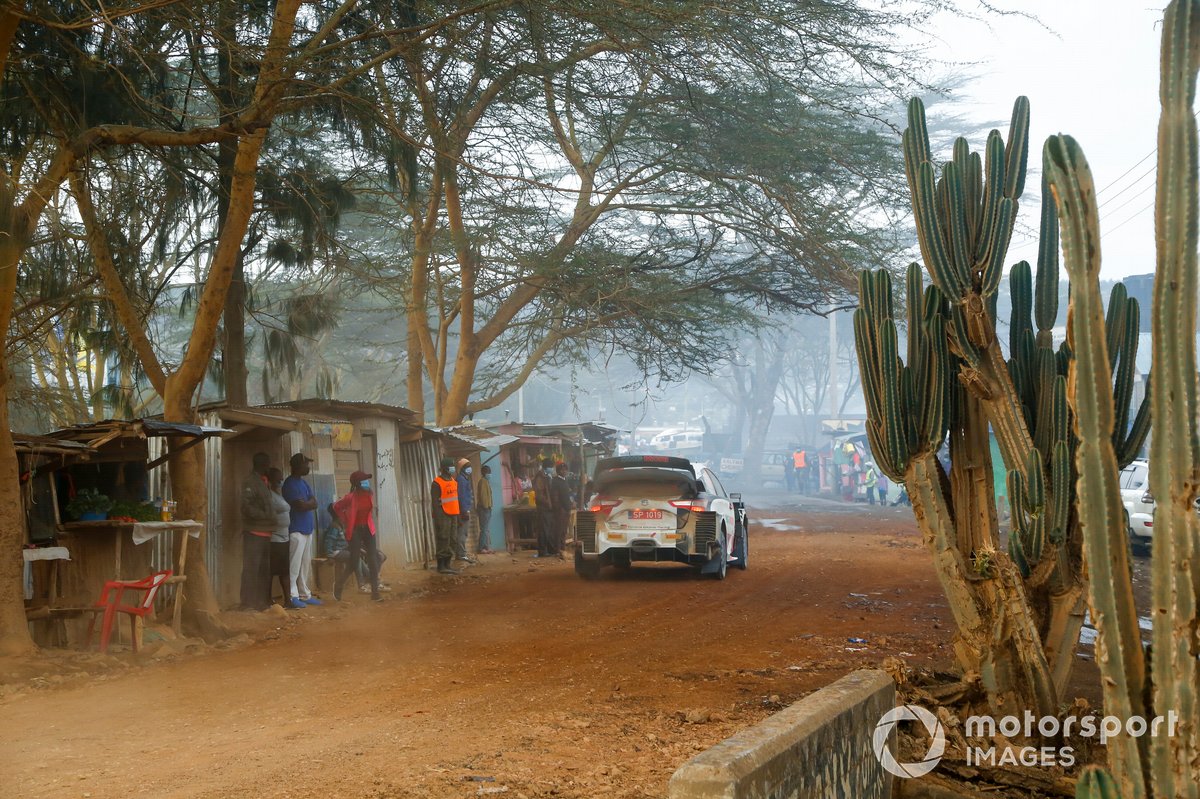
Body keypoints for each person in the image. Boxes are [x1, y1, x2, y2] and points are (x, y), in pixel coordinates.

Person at [332, 470, 383, 601]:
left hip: (368, 528)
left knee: (372, 559)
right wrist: (345, 519)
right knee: (354, 561)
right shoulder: (350, 497)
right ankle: (339, 585)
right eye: (364, 480)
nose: (367, 482)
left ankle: (375, 592)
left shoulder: (369, 494)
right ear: (357, 483)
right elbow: (336, 507)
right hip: (355, 530)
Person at [282, 453, 321, 606]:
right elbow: (300, 505)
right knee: (294, 565)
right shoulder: (290, 483)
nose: (308, 467)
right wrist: (308, 503)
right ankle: (292, 596)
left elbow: (314, 502)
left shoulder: (303, 483)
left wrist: (308, 503)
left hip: (307, 529)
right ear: (298, 465)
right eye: (306, 464)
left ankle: (304, 594)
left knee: (304, 565)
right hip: (296, 529)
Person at [239, 452, 276, 611]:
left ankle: (260, 603)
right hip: (254, 532)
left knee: (263, 571)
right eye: (267, 463)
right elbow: (246, 508)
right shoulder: (250, 482)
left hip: (266, 532)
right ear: (262, 464)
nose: (269, 466)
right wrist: (265, 516)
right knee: (251, 569)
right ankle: (247, 604)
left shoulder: (264, 481)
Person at [324, 503, 390, 593]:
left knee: (369, 556)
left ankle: (373, 581)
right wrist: (330, 556)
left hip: (344, 550)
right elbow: (329, 542)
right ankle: (363, 585)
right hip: (336, 552)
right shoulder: (335, 526)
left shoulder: (342, 525)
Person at [267, 468, 304, 610]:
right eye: (278, 479)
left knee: (284, 571)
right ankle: (269, 599)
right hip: (274, 538)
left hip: (283, 538)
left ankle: (288, 600)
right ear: (271, 480)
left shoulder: (279, 495)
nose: (281, 481)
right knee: (272, 572)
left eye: (281, 479)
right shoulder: (269, 496)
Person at [431, 457, 461, 575]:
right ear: (445, 468)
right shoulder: (437, 483)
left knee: (453, 539)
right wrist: (438, 518)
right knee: (443, 539)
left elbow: (455, 500)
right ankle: (441, 566)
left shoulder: (453, 481)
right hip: (443, 514)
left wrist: (457, 516)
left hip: (453, 513)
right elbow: (435, 502)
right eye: (451, 466)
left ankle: (448, 564)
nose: (453, 468)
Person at [531, 461, 557, 558]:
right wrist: (548, 503)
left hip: (548, 507)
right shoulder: (540, 477)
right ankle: (542, 551)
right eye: (552, 467)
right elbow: (539, 495)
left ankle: (549, 550)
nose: (553, 469)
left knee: (548, 529)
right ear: (547, 467)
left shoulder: (546, 476)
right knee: (543, 530)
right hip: (543, 507)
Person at [454, 457, 477, 565]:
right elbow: (462, 496)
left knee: (464, 532)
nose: (470, 469)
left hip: (465, 509)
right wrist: (464, 511)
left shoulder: (463, 478)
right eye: (467, 467)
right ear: (462, 469)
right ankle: (461, 554)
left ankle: (461, 553)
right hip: (463, 510)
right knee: (462, 533)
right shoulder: (461, 480)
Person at [550, 462, 575, 557]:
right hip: (560, 511)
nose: (564, 471)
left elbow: (567, 495)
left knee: (564, 531)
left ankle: (562, 548)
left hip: (566, 509)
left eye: (565, 469)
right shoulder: (556, 481)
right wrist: (560, 508)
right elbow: (556, 498)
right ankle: (557, 550)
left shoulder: (564, 481)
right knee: (558, 530)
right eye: (562, 470)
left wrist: (570, 505)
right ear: (558, 471)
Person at [475, 464, 495, 554]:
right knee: (484, 529)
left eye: (490, 472)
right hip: (484, 508)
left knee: (486, 529)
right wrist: (486, 507)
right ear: (483, 473)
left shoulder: (485, 481)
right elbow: (483, 497)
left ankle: (486, 547)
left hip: (487, 508)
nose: (489, 474)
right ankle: (481, 548)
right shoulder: (483, 481)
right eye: (488, 472)